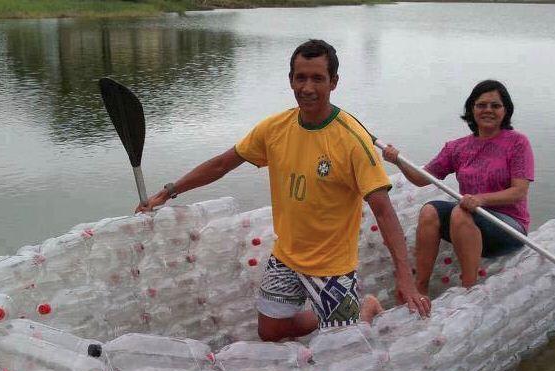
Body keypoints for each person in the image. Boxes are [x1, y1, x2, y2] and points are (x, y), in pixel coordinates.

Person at [138, 39, 428, 342]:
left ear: (334, 82)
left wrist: (404, 276)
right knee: (270, 332)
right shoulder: (275, 128)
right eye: (300, 77)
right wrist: (169, 190)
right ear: (290, 80)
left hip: (332, 266)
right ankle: (334, 316)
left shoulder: (352, 140)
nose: (307, 87)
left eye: (317, 78)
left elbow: (383, 209)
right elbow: (222, 164)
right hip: (287, 256)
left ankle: (364, 310)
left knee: (345, 348)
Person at [382, 79, 534, 291]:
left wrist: (481, 199)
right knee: (429, 211)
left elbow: (519, 191)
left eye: (495, 105)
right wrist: (397, 160)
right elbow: (421, 178)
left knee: (460, 212)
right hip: (468, 220)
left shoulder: (518, 143)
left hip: (508, 227)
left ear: (505, 111)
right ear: (471, 109)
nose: (488, 110)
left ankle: (468, 290)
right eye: (481, 105)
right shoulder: (457, 147)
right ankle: (420, 288)